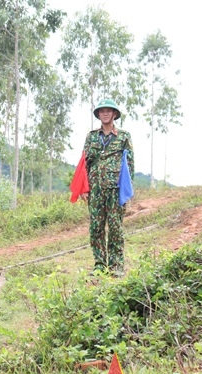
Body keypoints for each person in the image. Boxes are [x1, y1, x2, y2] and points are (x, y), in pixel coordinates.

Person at [81, 99, 134, 276]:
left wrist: (127, 190)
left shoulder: (124, 136)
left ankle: (116, 266)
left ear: (114, 114)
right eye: (101, 111)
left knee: (115, 227)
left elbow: (130, 164)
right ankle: (99, 265)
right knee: (96, 227)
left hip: (115, 188)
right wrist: (84, 188)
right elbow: (84, 163)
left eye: (108, 111)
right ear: (98, 115)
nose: (105, 113)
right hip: (95, 189)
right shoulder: (91, 137)